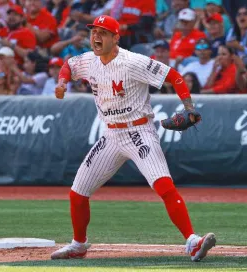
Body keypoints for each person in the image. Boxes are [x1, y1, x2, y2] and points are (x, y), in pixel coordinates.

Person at [51, 15, 216, 262]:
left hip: (139, 132)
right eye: (94, 31)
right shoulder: (89, 61)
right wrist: (63, 82)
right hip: (111, 135)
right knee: (77, 193)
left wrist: (189, 106)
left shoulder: (132, 62)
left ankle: (192, 241)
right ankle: (78, 244)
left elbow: (173, 76)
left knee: (164, 185)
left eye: (103, 33)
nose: (96, 36)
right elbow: (69, 65)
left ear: (116, 38)